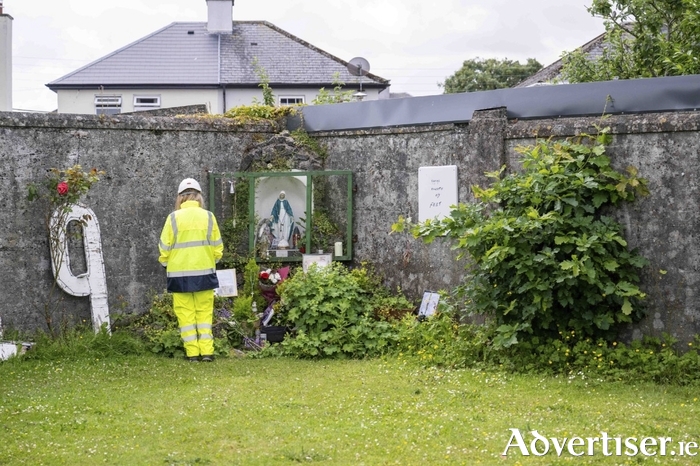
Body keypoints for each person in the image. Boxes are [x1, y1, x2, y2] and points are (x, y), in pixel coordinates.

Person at [158, 178, 223, 362]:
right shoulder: (209, 217)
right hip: (205, 273)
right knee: (204, 314)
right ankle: (207, 352)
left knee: (186, 315)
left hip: (179, 275)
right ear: (199, 196)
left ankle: (192, 354)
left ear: (180, 198)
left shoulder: (173, 218)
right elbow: (218, 248)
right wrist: (210, 261)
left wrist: (167, 264)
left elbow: (164, 248)